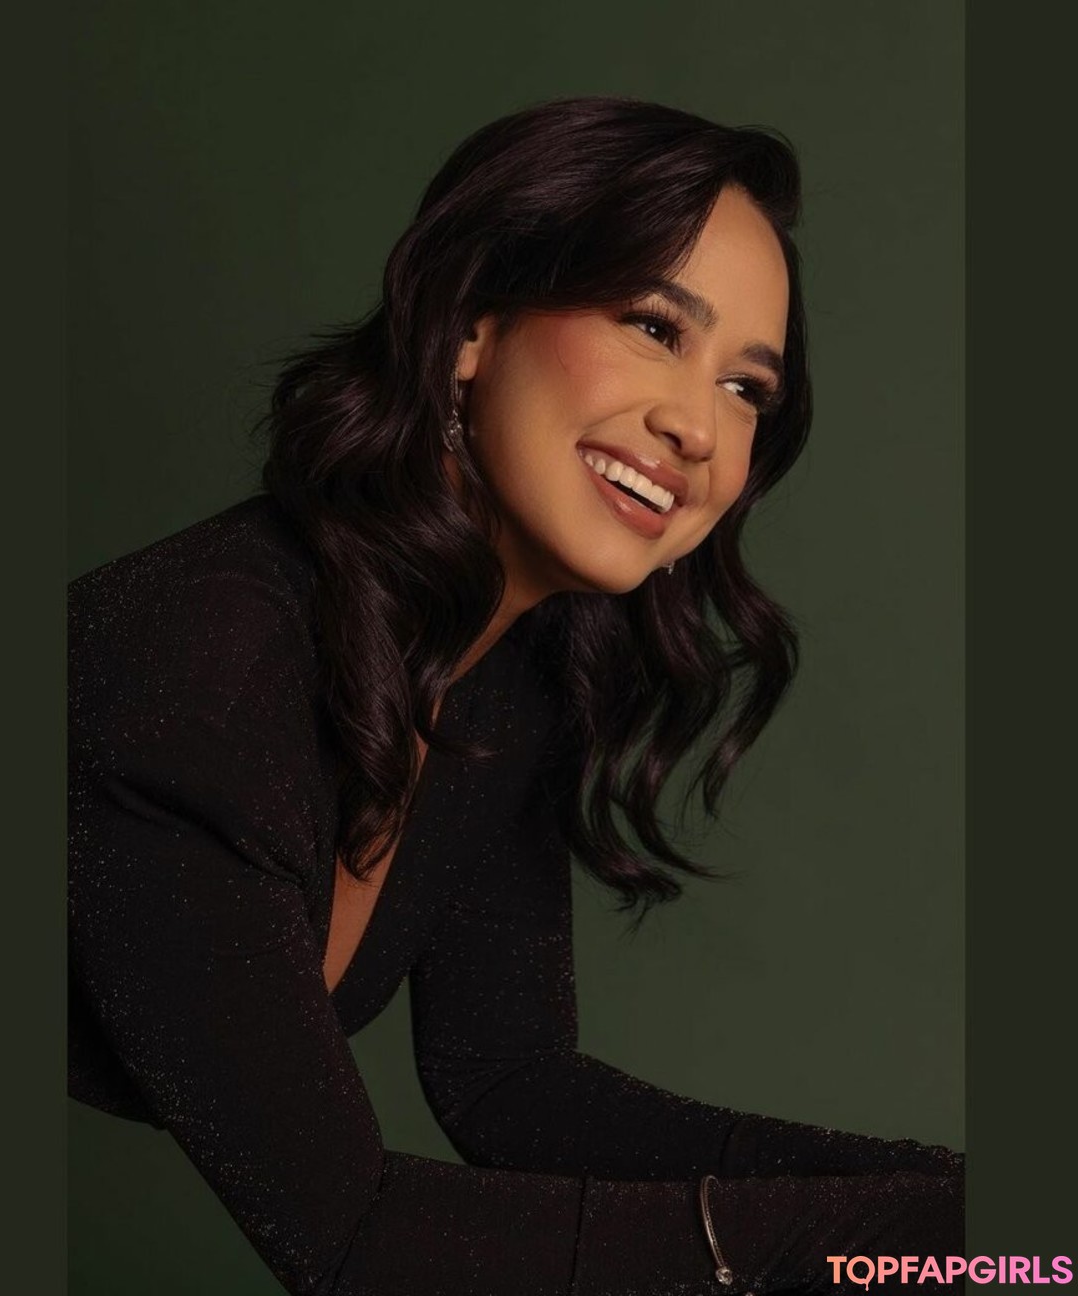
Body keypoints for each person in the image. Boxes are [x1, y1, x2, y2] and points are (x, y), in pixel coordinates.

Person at [68, 97, 963, 1295]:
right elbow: (354, 1241)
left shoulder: (496, 670)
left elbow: (511, 1086)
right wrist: (905, 1242)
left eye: (747, 388)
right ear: (469, 328)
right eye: (654, 325)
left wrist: (969, 1206)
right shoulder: (205, 669)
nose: (698, 427)